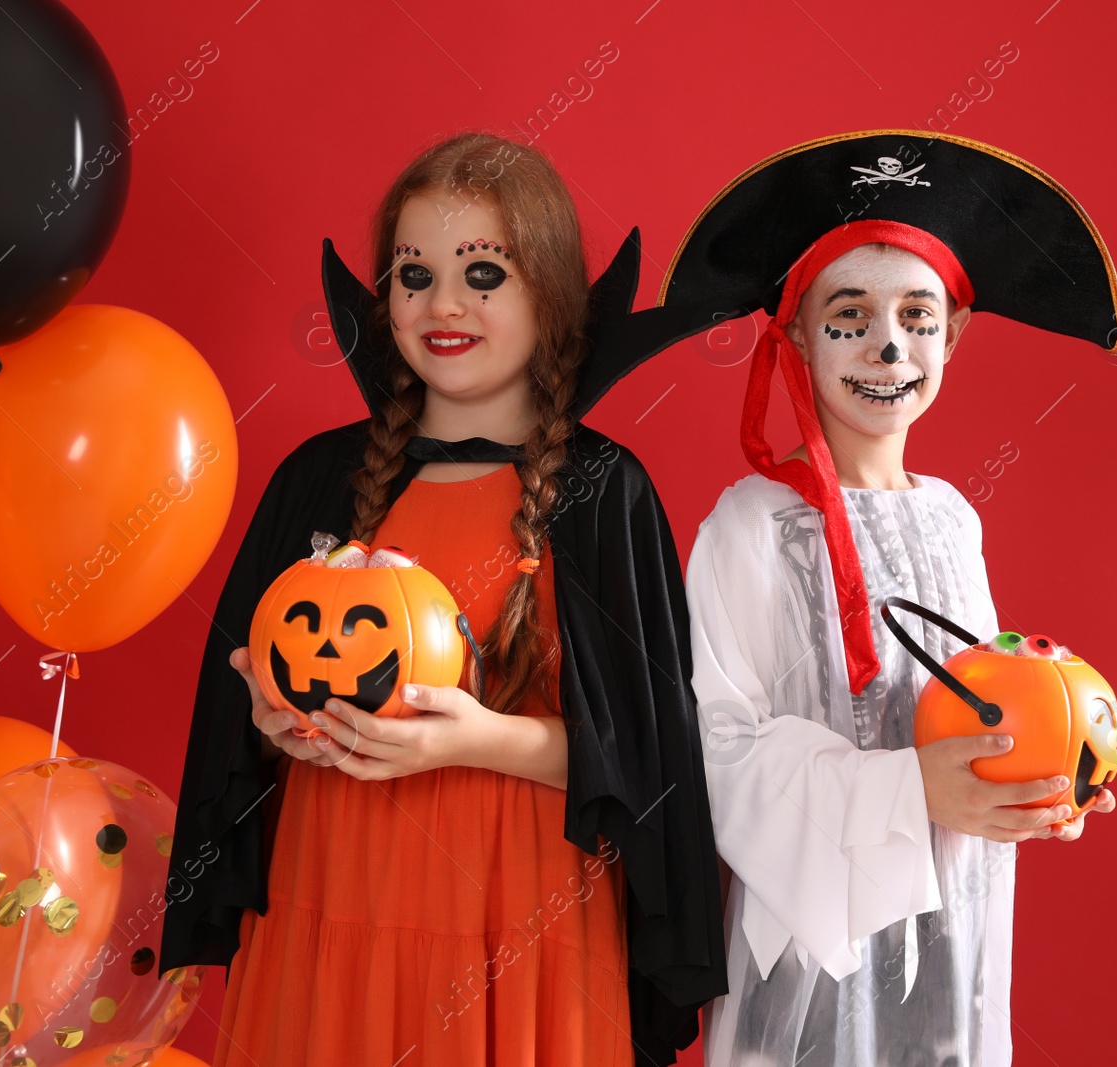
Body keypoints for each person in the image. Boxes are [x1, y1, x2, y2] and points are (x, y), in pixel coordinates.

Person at [158, 131, 728, 1066]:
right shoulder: (317, 478)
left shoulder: (604, 493)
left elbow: (652, 762)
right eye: (413, 274)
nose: (444, 303)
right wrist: (267, 717)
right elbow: (241, 736)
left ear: (548, 292)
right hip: (330, 895)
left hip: (519, 923)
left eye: (483, 273)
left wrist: (474, 739)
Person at [658, 131, 1117, 1065]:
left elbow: (965, 701)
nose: (887, 343)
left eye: (918, 314)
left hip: (955, 937)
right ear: (792, 332)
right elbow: (714, 751)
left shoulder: (954, 519)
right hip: (811, 967)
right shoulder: (750, 525)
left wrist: (1042, 773)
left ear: (952, 335)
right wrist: (908, 789)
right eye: (850, 313)